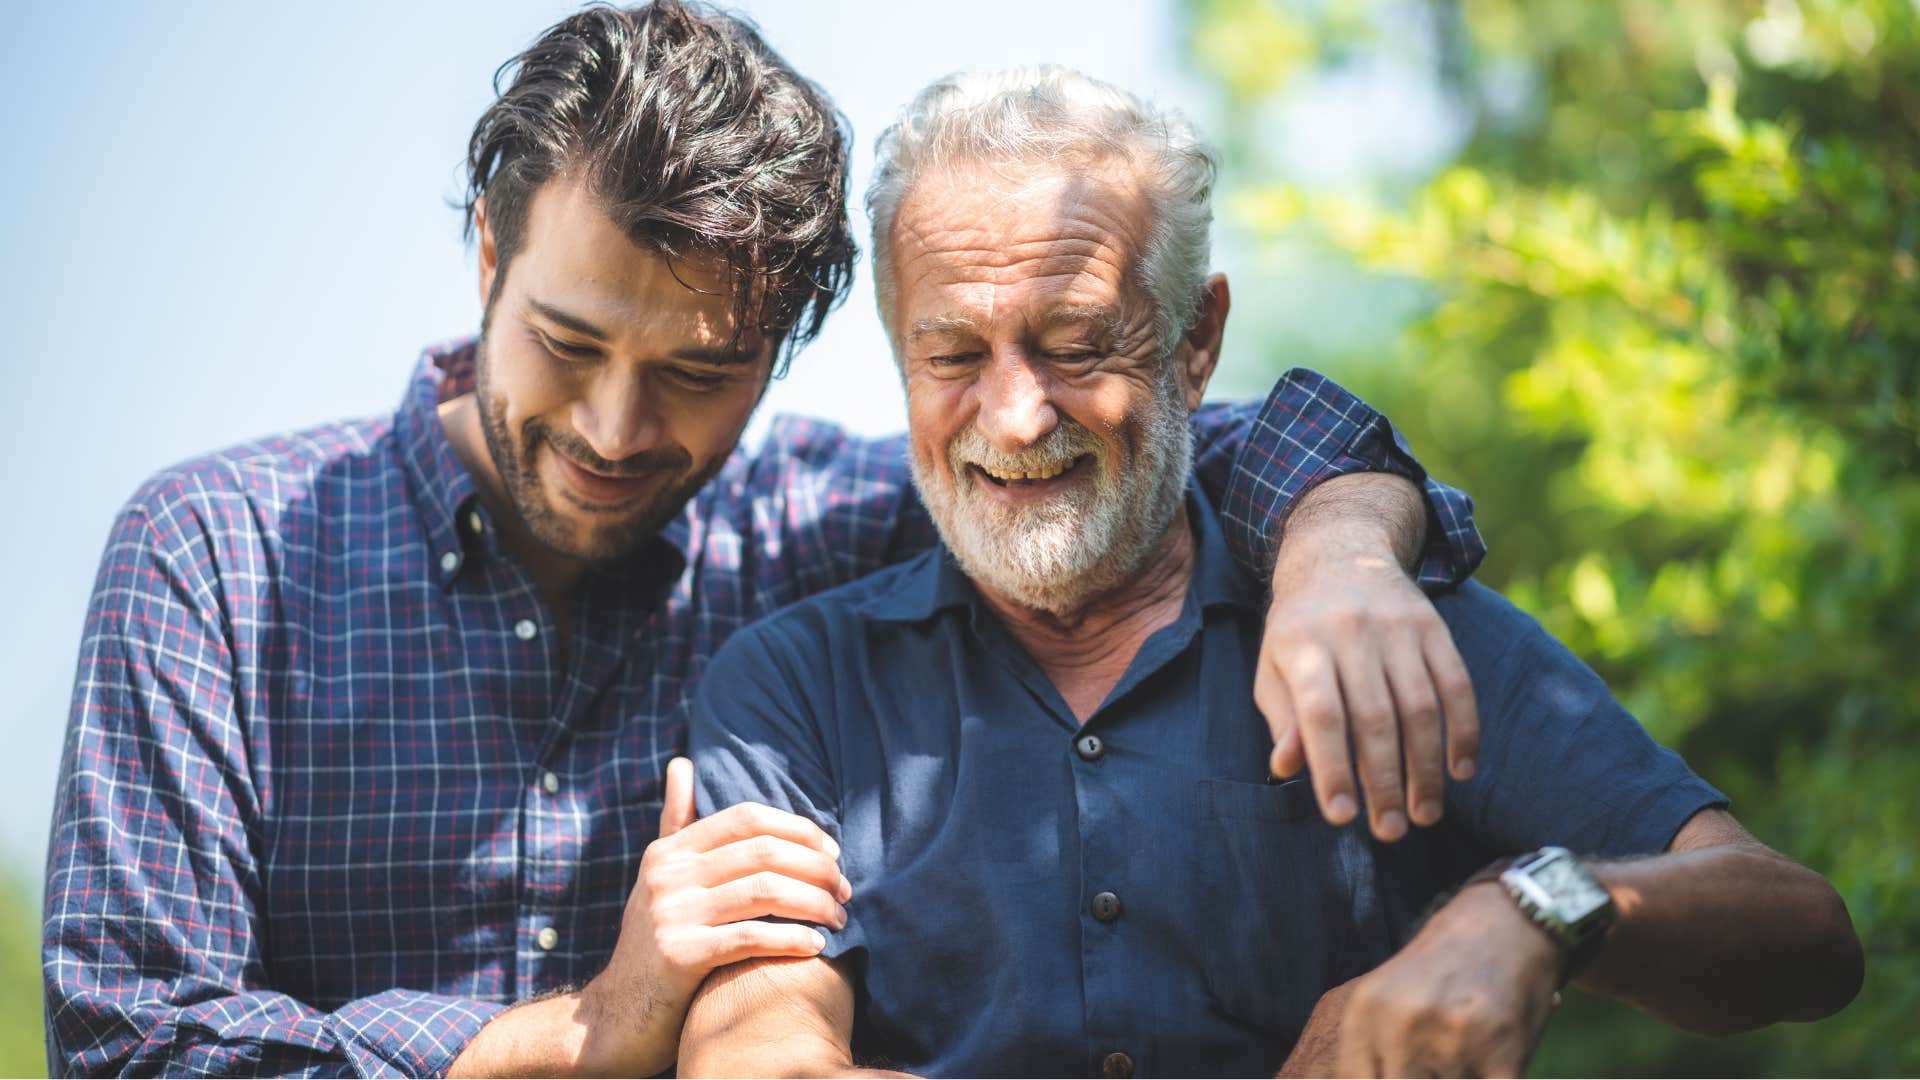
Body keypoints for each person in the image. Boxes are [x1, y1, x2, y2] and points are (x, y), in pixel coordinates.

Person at [40, 5, 1490, 1078]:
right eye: (565, 342)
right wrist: (573, 1036)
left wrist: (1344, 547)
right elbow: (124, 1047)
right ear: (490, 254)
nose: (614, 429)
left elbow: (1138, 447)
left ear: (784, 351)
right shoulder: (214, 560)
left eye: (696, 373)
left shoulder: (830, 526)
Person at [680, 66, 1864, 1078]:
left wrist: (1535, 908)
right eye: (951, 354)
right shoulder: (795, 683)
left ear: (1195, 342)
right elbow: (754, 1049)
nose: (1015, 415)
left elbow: (1802, 933)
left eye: (1077, 344)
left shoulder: (1382, 625)